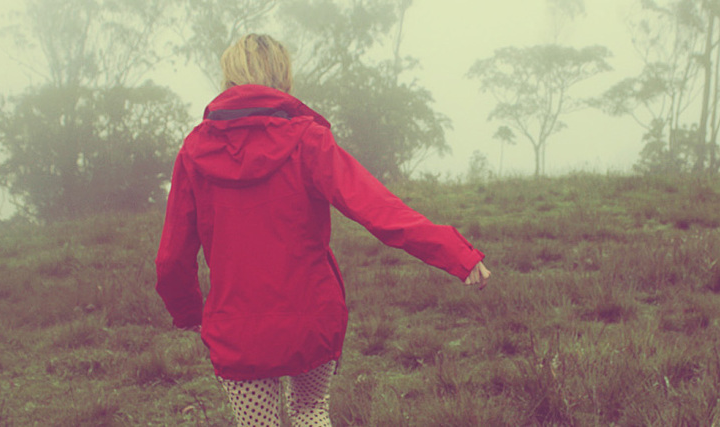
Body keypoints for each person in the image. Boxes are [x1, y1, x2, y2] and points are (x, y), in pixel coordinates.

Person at [154, 34, 491, 427]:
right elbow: (379, 209)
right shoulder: (307, 140)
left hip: (237, 327)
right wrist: (456, 253)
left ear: (230, 79)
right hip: (310, 318)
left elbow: (171, 256)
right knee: (309, 412)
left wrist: (190, 312)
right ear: (283, 78)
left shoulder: (194, 150)